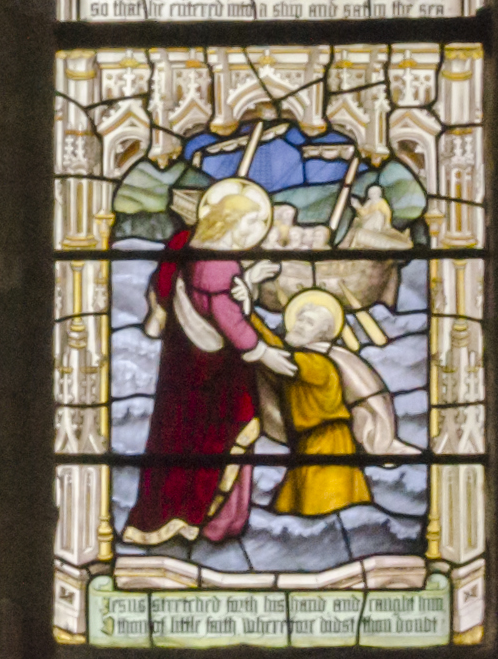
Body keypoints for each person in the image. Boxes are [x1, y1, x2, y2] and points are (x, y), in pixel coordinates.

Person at [120, 173, 294, 548]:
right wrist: (264, 353)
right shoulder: (217, 263)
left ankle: (169, 516)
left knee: (178, 436)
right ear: (230, 223)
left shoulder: (190, 245)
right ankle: (216, 521)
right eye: (251, 225)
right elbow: (227, 318)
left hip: (185, 366)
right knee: (221, 436)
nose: (254, 234)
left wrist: (246, 280)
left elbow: (208, 300)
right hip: (217, 375)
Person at [270, 285, 396, 519]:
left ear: (322, 334)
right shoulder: (307, 360)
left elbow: (276, 354)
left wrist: (246, 322)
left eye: (307, 323)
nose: (297, 325)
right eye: (299, 319)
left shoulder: (317, 364)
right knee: (296, 514)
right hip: (309, 443)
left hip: (328, 445)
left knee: (325, 512)